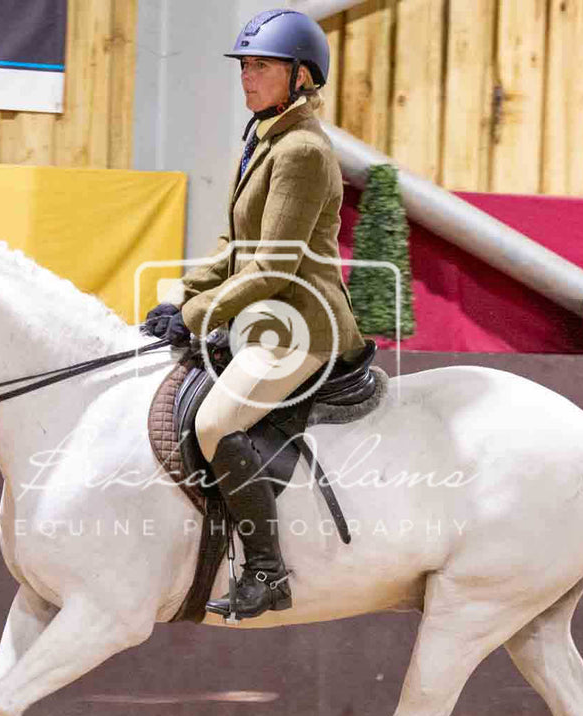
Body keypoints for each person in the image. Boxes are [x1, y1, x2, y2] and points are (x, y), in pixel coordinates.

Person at [142, 8, 364, 622]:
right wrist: (185, 298)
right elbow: (236, 246)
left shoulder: (301, 151)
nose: (247, 76)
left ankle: (267, 572)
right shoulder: (262, 137)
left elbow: (274, 268)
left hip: (301, 324)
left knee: (214, 422)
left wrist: (198, 315)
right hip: (265, 316)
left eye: (261, 65)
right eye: (244, 65)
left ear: (301, 75)